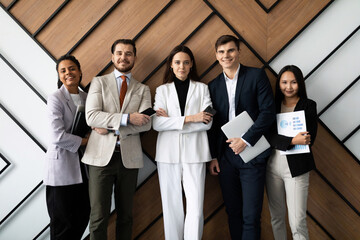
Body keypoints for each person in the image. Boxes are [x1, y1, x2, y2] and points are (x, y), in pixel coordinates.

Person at [81, 39, 151, 240]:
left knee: (126, 216)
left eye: (128, 53)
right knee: (98, 216)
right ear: (112, 57)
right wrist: (128, 119)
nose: (123, 57)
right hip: (99, 158)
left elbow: (146, 123)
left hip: (128, 160)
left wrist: (110, 127)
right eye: (119, 53)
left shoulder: (143, 89)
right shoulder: (99, 82)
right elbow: (92, 116)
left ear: (134, 58)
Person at [207, 35, 276, 240]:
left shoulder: (256, 76)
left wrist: (245, 139)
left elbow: (268, 112)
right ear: (216, 55)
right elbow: (212, 126)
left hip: (252, 153)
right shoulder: (212, 85)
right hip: (225, 157)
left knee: (251, 215)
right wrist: (213, 156)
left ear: (239, 52)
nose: (226, 55)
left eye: (230, 50)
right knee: (233, 212)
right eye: (221, 52)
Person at [152, 45, 213, 240]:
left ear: (191, 64)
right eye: (177, 62)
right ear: (171, 64)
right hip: (167, 155)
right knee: (171, 207)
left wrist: (174, 121)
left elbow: (207, 123)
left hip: (195, 154)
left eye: (186, 62)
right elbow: (157, 123)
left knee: (195, 207)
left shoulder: (202, 88)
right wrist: (191, 118)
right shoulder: (162, 90)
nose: (182, 67)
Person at [265, 65, 317, 240]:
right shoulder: (271, 105)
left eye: (293, 82)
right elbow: (268, 136)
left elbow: (309, 139)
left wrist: (286, 140)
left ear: (300, 84)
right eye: (284, 82)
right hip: (272, 168)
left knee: (297, 222)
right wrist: (292, 140)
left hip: (297, 169)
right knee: (276, 218)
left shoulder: (308, 105)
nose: (289, 87)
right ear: (278, 84)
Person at [44, 54, 90, 240]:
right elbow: (57, 136)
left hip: (83, 167)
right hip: (61, 168)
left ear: (79, 72)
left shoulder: (87, 97)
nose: (68, 73)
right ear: (59, 75)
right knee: (63, 223)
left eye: (72, 68)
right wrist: (88, 141)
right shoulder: (55, 98)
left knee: (82, 217)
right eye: (63, 70)